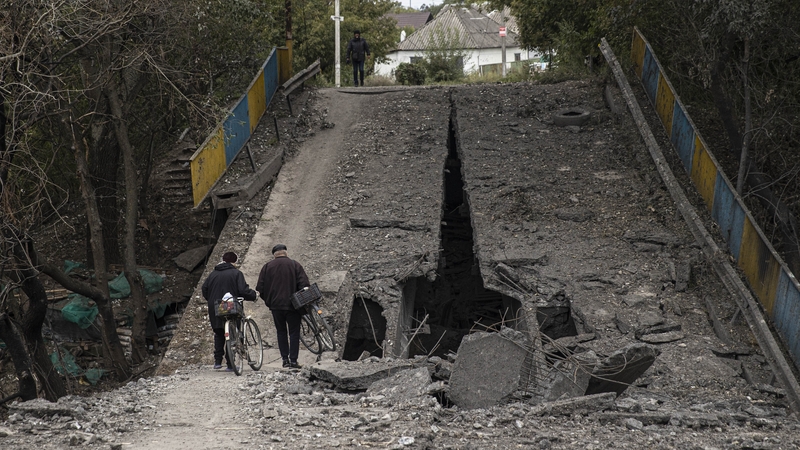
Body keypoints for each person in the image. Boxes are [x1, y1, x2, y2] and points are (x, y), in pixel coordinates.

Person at [256, 244, 310, 369]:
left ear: (274, 255)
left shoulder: (267, 267)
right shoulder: (294, 264)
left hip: (276, 306)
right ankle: (293, 361)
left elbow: (260, 288)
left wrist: (269, 301)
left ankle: (285, 360)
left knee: (281, 332)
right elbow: (304, 284)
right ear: (286, 252)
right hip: (293, 306)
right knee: (294, 333)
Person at [201, 251, 257, 370]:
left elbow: (204, 289)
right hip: (232, 306)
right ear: (234, 262)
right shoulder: (236, 273)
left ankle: (217, 362)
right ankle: (230, 364)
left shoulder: (213, 274)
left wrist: (211, 299)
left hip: (216, 306)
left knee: (219, 333)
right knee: (232, 333)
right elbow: (243, 290)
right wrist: (253, 296)